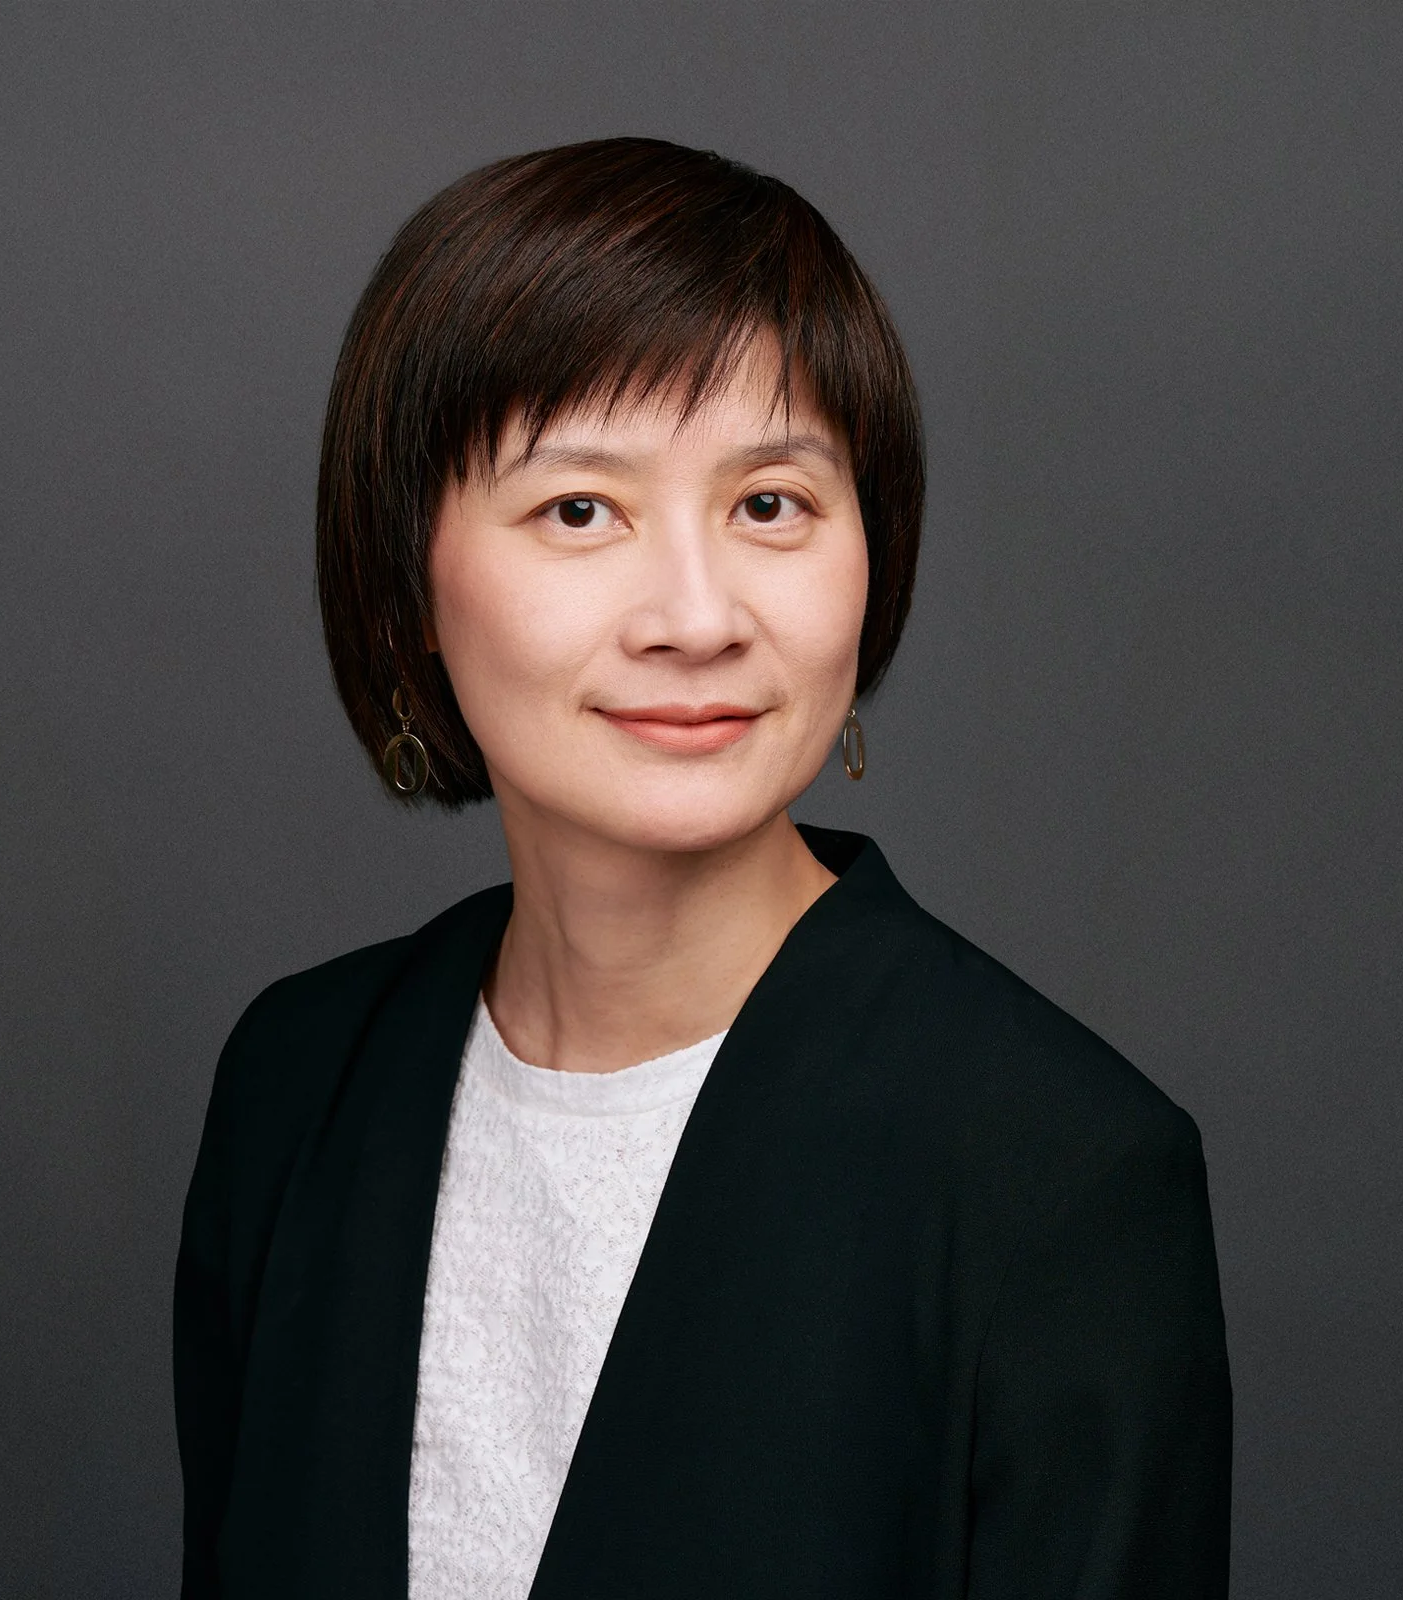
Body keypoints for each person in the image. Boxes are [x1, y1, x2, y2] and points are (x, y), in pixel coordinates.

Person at [173, 137, 1230, 1599]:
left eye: (770, 506)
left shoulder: (1056, 1171)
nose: (695, 615)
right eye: (580, 510)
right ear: (405, 579)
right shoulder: (299, 1085)